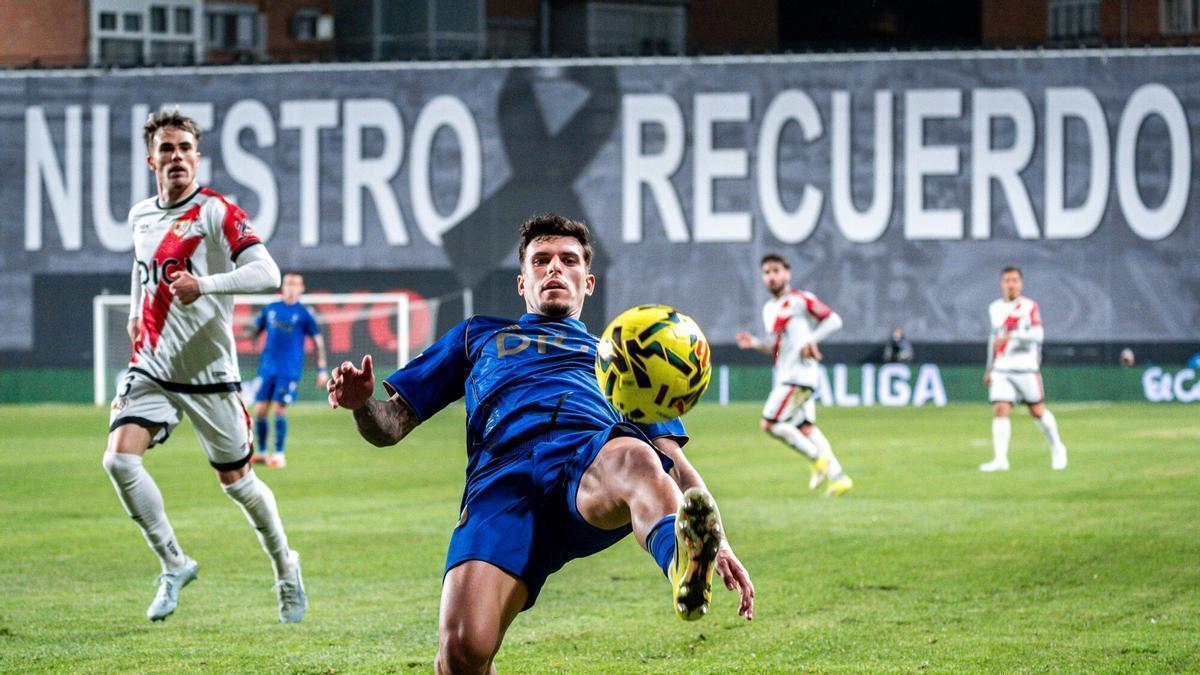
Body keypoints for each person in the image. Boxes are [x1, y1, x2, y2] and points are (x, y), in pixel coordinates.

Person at [327, 214, 754, 674]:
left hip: (587, 465)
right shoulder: (479, 335)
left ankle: (680, 565)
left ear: (587, 282)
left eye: (568, 260)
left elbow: (671, 459)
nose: (554, 268)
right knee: (462, 653)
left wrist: (719, 543)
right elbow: (391, 425)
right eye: (541, 260)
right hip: (499, 485)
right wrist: (361, 404)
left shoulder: (621, 355)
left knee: (635, 455)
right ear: (522, 280)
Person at [103, 110, 306, 623]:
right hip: (151, 365)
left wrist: (206, 285)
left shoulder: (217, 212)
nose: (176, 156)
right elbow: (139, 267)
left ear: (197, 157)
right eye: (167, 148)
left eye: (185, 147)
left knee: (238, 483)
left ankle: (286, 565)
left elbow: (267, 272)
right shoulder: (140, 215)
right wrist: (133, 314)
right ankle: (174, 563)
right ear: (152, 159)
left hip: (210, 374)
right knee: (119, 460)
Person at [735, 254, 853, 496]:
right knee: (805, 426)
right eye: (767, 272)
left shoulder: (800, 300)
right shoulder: (769, 309)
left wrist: (811, 339)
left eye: (776, 270)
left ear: (787, 273)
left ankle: (816, 457)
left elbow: (834, 320)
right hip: (788, 373)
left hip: (799, 375)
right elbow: (774, 345)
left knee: (769, 423)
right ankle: (838, 477)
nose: (771, 276)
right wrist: (755, 343)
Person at [980, 266, 1068, 472]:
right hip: (1002, 368)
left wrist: (1012, 336)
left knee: (1037, 410)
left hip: (1026, 368)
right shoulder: (994, 308)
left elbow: (1038, 336)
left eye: (1015, 280)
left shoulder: (1029, 307)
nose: (1011, 284)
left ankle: (1058, 447)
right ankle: (1000, 459)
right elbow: (993, 339)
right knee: (1000, 409)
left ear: (1021, 283)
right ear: (1001, 283)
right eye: (1007, 280)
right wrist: (989, 367)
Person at [248, 273, 328, 468]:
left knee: (279, 409)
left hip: (289, 370)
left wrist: (322, 369)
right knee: (259, 410)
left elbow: (317, 341)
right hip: (267, 368)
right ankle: (262, 453)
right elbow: (255, 331)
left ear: (302, 288)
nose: (291, 287)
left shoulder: (303, 313)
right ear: (282, 286)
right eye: (288, 283)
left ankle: (279, 454)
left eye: (295, 284)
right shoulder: (271, 308)